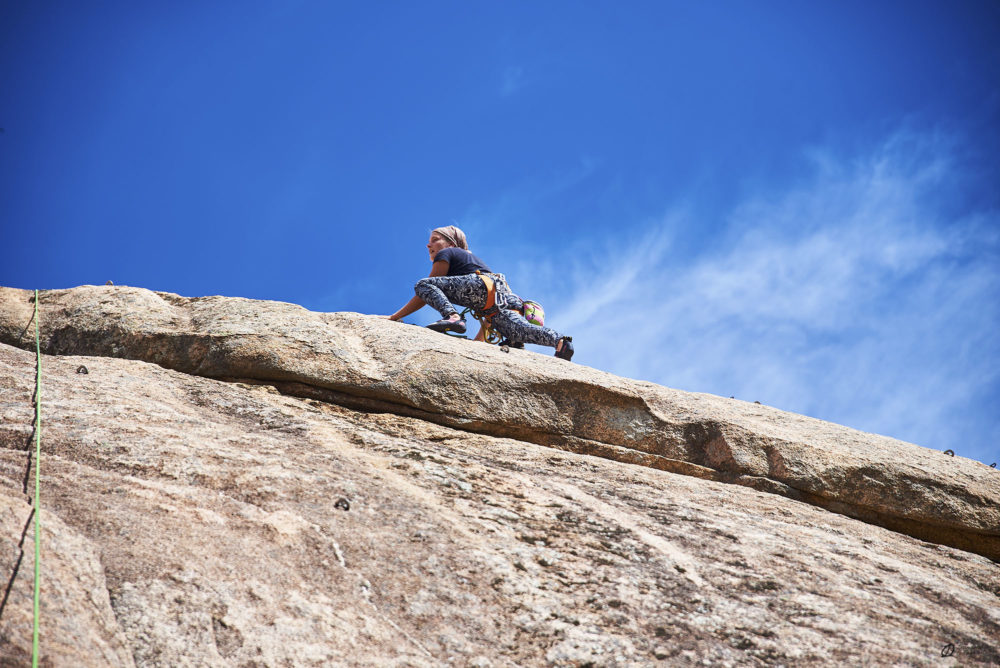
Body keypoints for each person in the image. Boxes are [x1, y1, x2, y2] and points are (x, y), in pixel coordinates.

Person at [386, 225, 574, 360]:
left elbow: (425, 291)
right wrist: (476, 346)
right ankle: (561, 342)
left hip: (483, 289)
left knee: (423, 284)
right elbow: (488, 317)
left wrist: (394, 317)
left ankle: (452, 317)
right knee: (520, 332)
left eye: (435, 240)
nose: (429, 245)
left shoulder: (449, 253)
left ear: (451, 243)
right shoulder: (469, 260)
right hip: (502, 302)